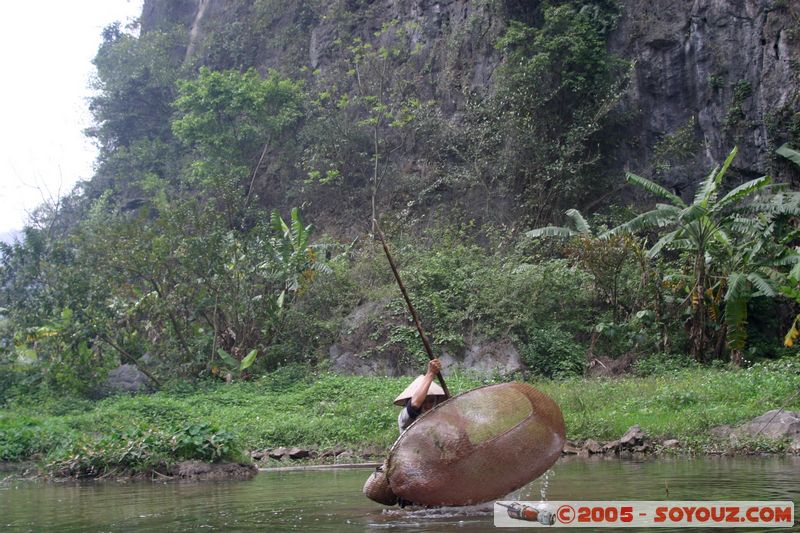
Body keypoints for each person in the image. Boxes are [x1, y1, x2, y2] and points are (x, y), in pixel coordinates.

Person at [394, 358, 445, 433]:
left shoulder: (437, 418)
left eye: (431, 401)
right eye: (423, 402)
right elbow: (414, 404)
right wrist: (430, 373)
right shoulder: (404, 416)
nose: (428, 405)